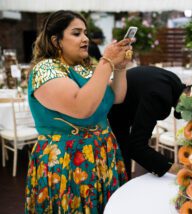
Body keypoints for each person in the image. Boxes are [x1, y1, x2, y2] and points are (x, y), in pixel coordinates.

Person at [25, 10, 134, 213]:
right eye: (76, 33)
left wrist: (120, 67)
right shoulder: (45, 69)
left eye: (85, 33)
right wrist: (106, 62)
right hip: (68, 161)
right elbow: (81, 107)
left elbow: (116, 97)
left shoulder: (84, 68)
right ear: (56, 40)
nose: (85, 38)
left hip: (101, 153)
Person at [108, 66, 187, 179]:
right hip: (112, 119)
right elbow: (137, 147)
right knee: (121, 165)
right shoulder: (158, 96)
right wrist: (176, 169)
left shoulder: (173, 81)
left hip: (118, 109)